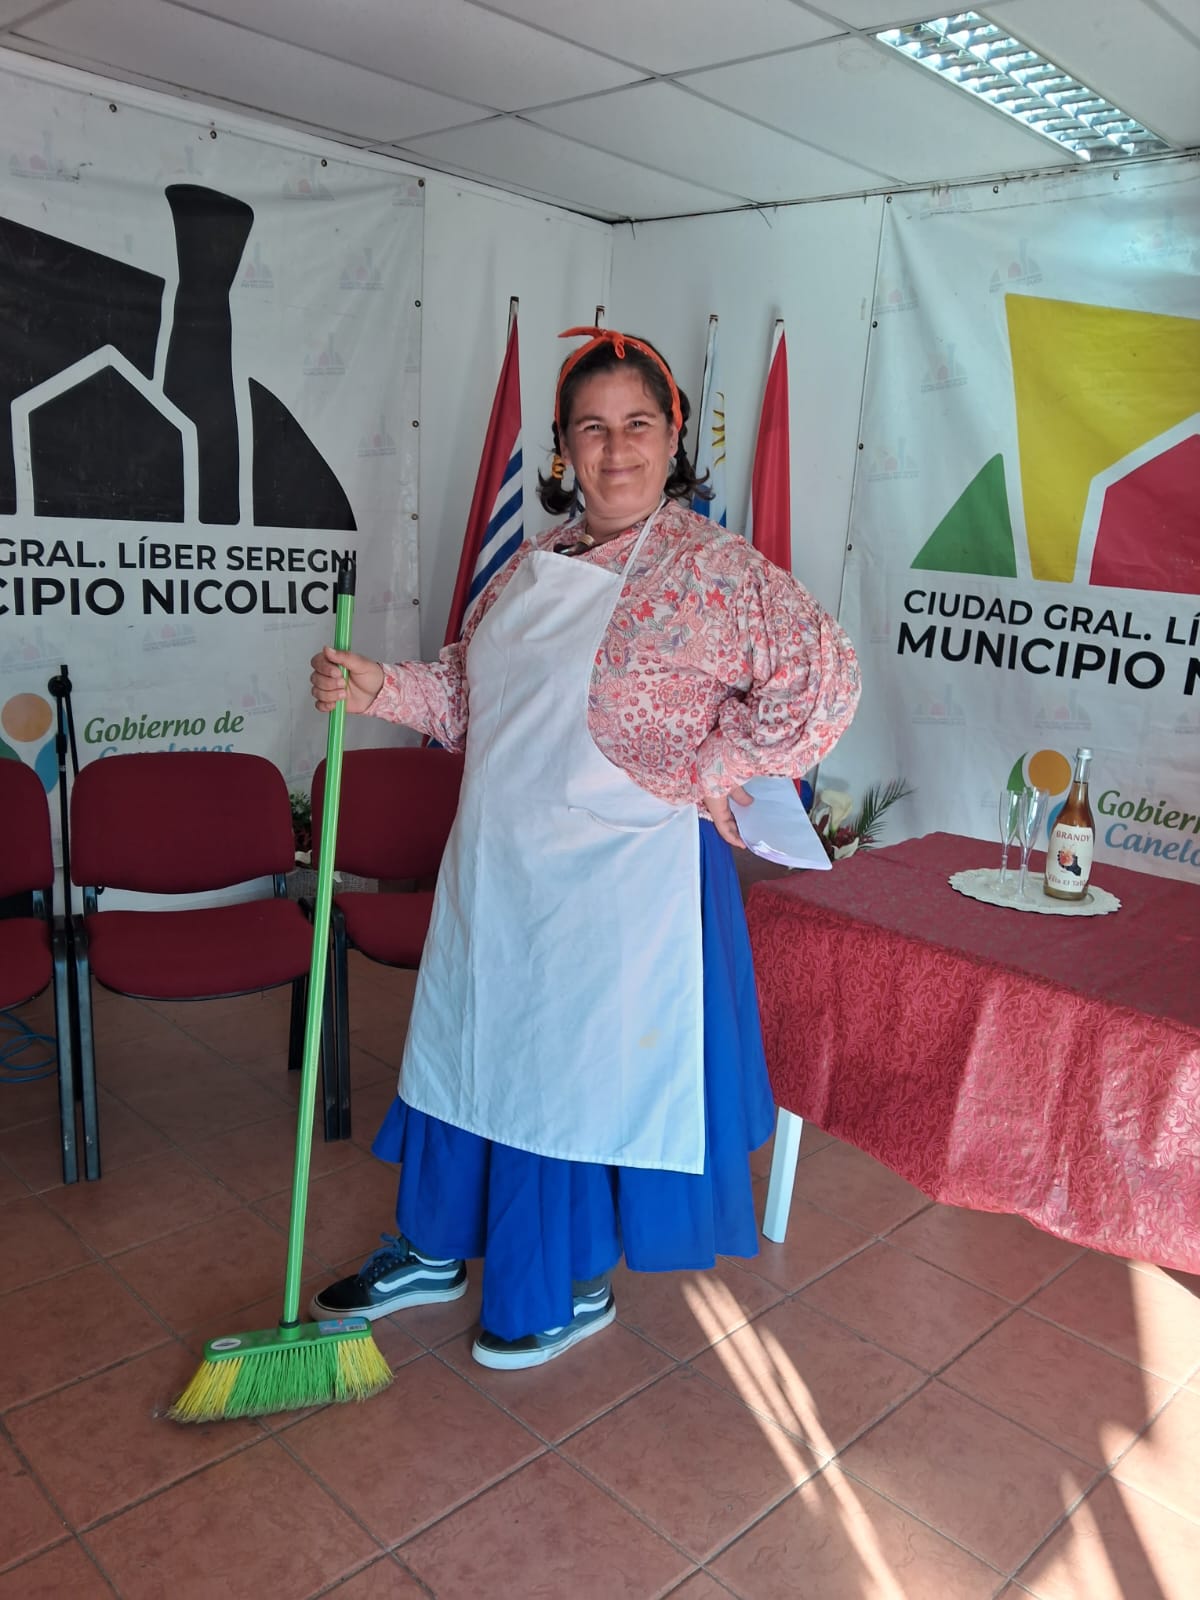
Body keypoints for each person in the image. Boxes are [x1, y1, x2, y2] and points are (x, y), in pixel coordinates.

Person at [308, 326, 860, 1370]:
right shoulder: (530, 567)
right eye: (592, 429)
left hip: (617, 883)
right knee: (467, 1053)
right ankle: (431, 1247)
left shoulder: (713, 570)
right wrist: (376, 686)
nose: (615, 450)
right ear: (561, 447)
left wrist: (713, 769)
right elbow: (469, 694)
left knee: (554, 1080)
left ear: (674, 435)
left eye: (637, 425)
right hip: (497, 870)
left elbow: (826, 684)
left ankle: (555, 1281)